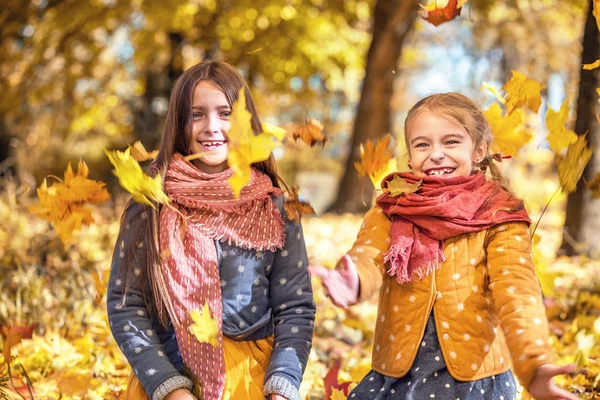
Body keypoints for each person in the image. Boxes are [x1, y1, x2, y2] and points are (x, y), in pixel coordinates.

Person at [309, 93, 577, 400]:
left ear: (478, 149)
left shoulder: (499, 213)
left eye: (451, 142)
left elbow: (517, 292)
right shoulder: (392, 208)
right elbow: (369, 254)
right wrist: (353, 279)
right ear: (410, 155)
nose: (436, 154)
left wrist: (534, 364)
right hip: (398, 373)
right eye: (423, 144)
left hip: (472, 380)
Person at [107, 60, 315, 400]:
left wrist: (281, 385)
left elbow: (296, 306)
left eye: (225, 113)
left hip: (250, 380)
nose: (211, 126)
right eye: (196, 114)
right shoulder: (152, 203)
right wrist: (169, 387)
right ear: (178, 122)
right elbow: (126, 304)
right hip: (168, 376)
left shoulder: (274, 206)